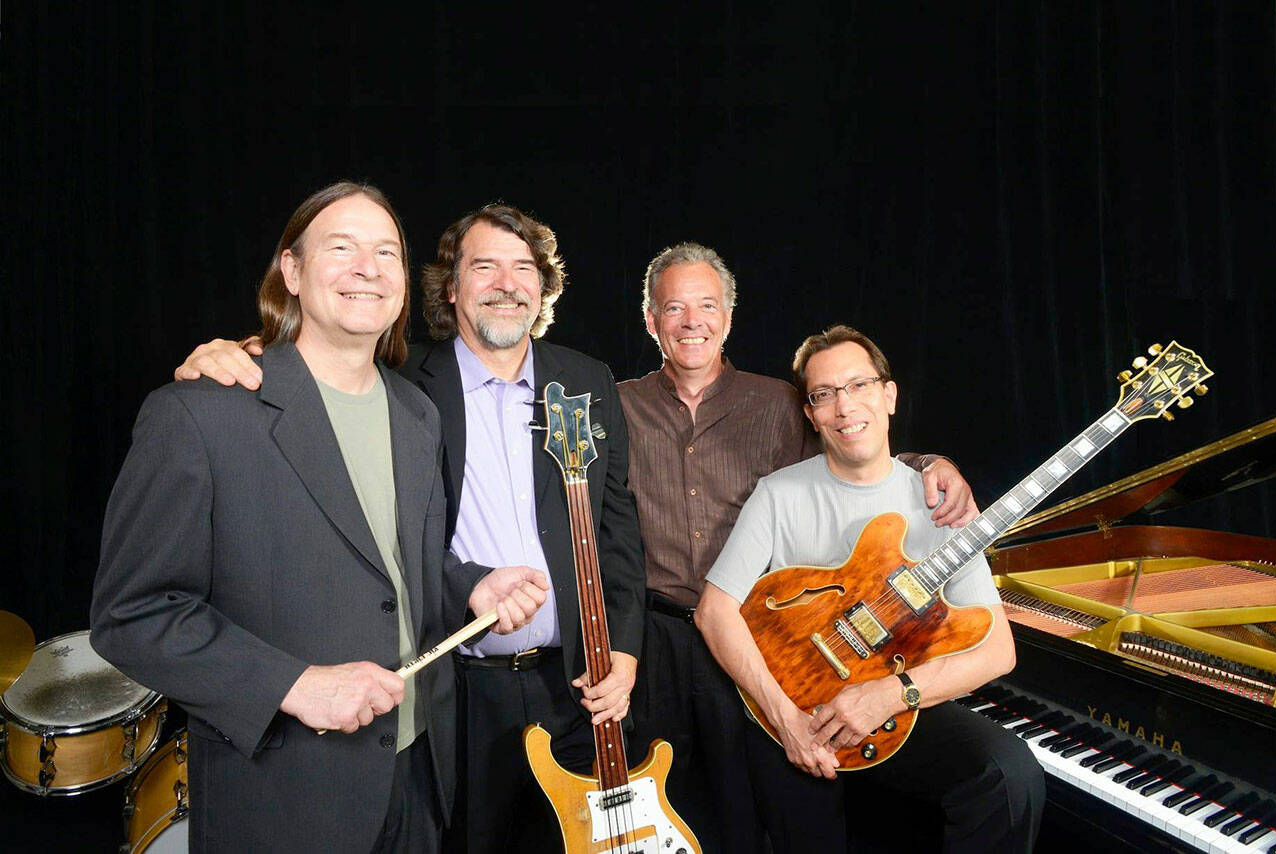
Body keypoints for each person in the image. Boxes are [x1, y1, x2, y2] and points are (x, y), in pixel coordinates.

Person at [173, 203, 646, 853]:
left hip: (573, 684)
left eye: (523, 268)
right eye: (484, 267)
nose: (507, 284)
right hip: (453, 689)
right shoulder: (398, 382)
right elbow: (311, 374)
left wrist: (624, 650)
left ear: (544, 285)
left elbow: (617, 529)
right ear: (449, 287)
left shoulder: (587, 380)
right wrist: (238, 353)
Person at [91, 182, 548, 853]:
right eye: (342, 248)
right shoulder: (200, 412)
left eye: (386, 252)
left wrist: (471, 586)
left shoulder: (416, 415)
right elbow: (132, 614)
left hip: (419, 778)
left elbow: (400, 570)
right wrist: (294, 685)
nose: (368, 268)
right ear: (292, 271)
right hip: (285, 794)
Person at [619, 245, 981, 851]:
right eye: (674, 308)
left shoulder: (779, 404)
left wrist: (927, 463)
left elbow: (853, 448)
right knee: (668, 814)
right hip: (654, 641)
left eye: (707, 305)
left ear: (728, 317)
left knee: (749, 819)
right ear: (651, 320)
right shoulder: (618, 405)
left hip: (755, 640)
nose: (692, 321)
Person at [696, 324, 1044, 853]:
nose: (844, 406)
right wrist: (786, 721)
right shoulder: (778, 494)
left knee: (1009, 775)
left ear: (890, 396)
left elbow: (999, 651)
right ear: (811, 414)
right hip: (795, 711)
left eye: (859, 385)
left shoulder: (941, 504)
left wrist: (890, 695)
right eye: (824, 394)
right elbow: (714, 611)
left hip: (894, 702)